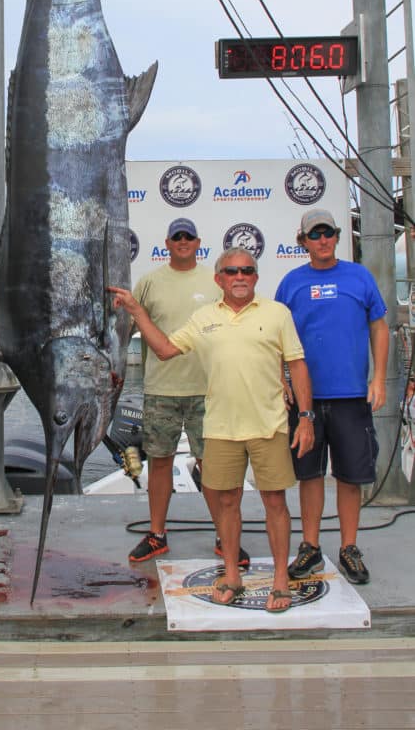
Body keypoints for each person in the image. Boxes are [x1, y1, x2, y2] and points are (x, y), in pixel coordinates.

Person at [109, 248, 314, 612]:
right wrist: (137, 312)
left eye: (247, 271)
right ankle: (232, 575)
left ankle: (280, 580)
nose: (240, 276)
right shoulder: (203, 317)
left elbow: (296, 366)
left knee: (275, 504)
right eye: (231, 271)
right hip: (219, 429)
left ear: (255, 276)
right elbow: (165, 348)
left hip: (269, 427)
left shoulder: (277, 313)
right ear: (219, 279)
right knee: (227, 502)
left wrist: (306, 418)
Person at [275, 208, 388, 586]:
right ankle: (309, 546)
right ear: (303, 241)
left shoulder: (359, 277)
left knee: (350, 476)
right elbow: (275, 337)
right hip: (305, 402)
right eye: (315, 234)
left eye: (329, 233)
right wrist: (283, 380)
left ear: (338, 237)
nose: (322, 240)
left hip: (351, 395)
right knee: (309, 474)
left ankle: (349, 547)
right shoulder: (291, 283)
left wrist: (380, 379)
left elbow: (379, 325)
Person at [128, 217, 245, 568]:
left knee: (213, 467)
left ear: (198, 243)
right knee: (160, 462)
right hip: (161, 389)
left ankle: (225, 538)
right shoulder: (148, 283)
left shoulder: (214, 282)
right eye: (176, 236)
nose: (182, 241)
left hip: (207, 392)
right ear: (167, 243)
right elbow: (130, 324)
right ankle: (157, 534)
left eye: (188, 236)